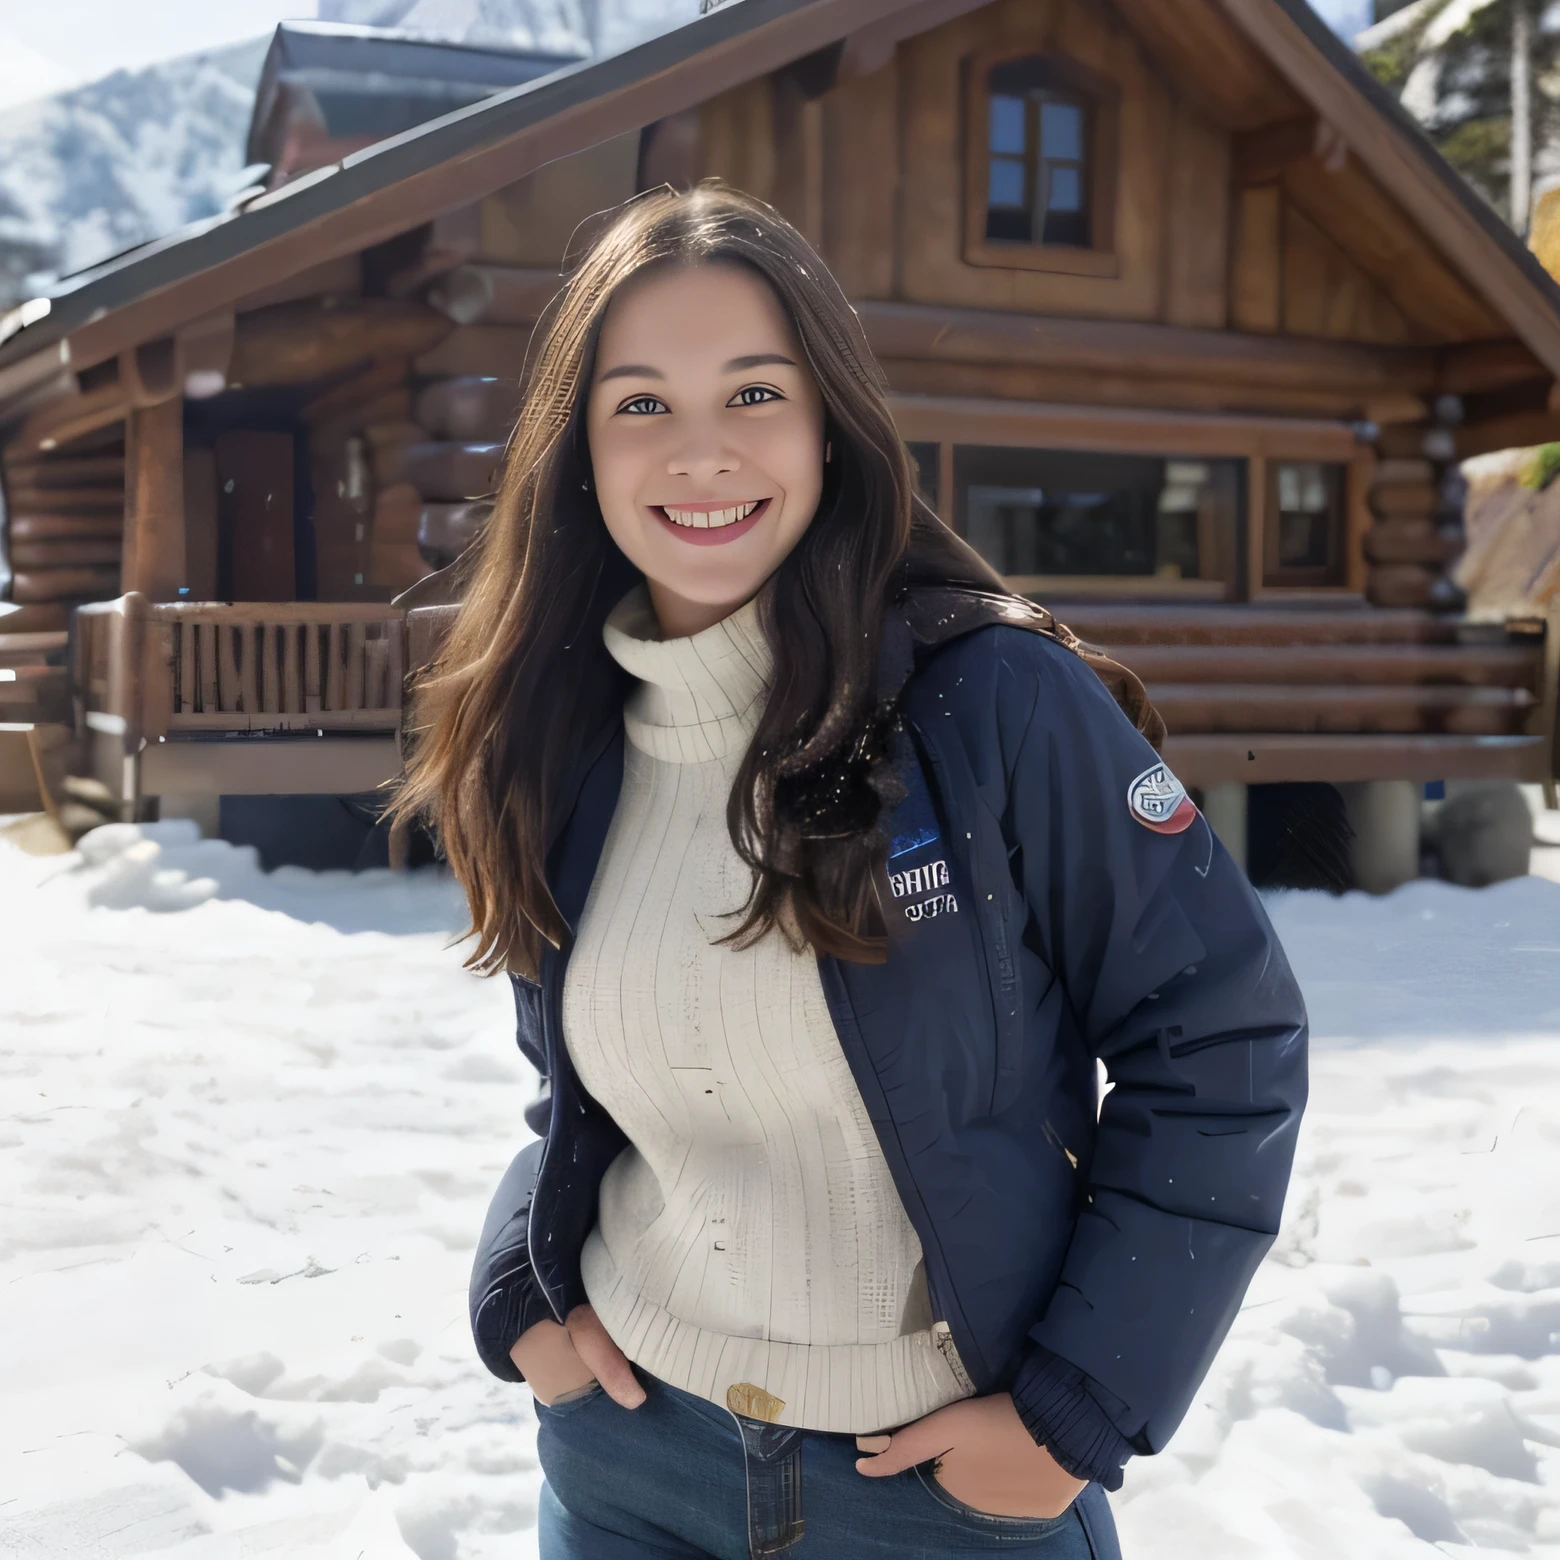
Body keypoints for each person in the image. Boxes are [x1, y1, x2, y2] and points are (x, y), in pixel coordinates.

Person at [391, 183, 1309, 1560]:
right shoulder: (559, 734)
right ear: (576, 453)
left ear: (830, 424)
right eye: (641, 403)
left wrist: (1073, 1414)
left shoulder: (990, 701)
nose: (700, 454)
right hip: (631, 1467)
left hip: (936, 1493)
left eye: (753, 392)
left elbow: (1222, 1038)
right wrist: (523, 1290)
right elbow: (571, 1098)